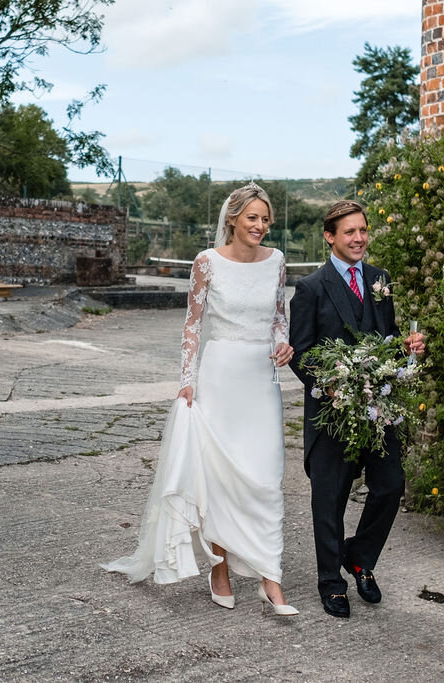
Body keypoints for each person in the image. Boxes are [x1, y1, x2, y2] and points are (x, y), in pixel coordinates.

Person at [102, 182, 298, 616]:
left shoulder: (277, 262)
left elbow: (279, 318)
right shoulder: (206, 263)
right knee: (219, 479)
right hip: (219, 377)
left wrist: (284, 344)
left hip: (260, 381)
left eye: (266, 219)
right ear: (232, 219)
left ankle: (271, 578)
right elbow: (193, 325)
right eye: (252, 218)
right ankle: (220, 569)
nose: (260, 226)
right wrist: (187, 381)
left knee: (266, 478)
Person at [289, 199, 425, 619]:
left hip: (378, 409)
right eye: (349, 231)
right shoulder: (311, 287)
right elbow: (301, 352)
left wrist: (408, 349)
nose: (359, 238)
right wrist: (330, 385)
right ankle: (331, 581)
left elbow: (389, 337)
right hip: (333, 412)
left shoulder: (381, 280)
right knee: (330, 499)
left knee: (390, 485)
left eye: (363, 230)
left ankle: (359, 557)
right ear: (330, 236)